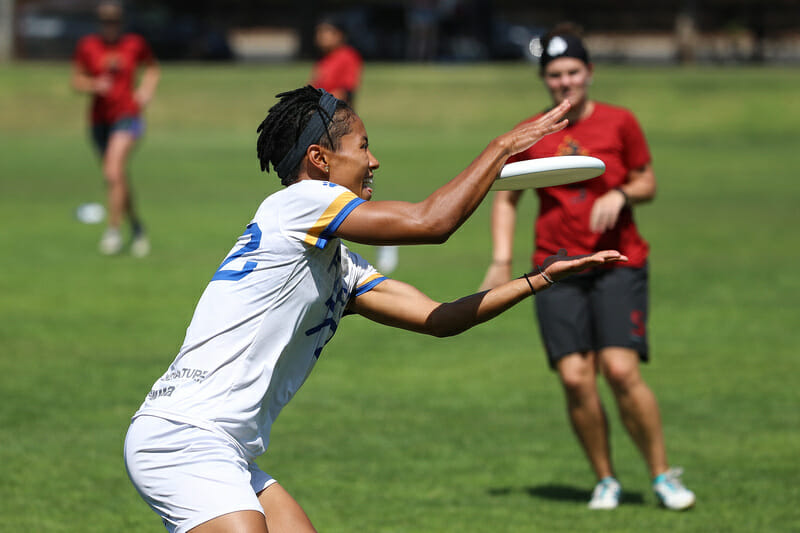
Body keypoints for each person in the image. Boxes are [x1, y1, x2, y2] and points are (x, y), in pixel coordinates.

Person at [124, 85, 626, 533]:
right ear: (320, 160)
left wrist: (538, 279)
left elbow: (440, 318)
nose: (374, 161)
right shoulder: (298, 203)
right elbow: (432, 223)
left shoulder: (341, 267)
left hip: (226, 450)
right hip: (181, 438)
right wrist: (501, 148)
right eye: (363, 147)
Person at [479, 25, 695, 511]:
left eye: (573, 71)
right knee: (576, 378)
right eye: (554, 74)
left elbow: (647, 181)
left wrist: (620, 194)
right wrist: (500, 260)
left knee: (619, 370)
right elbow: (505, 199)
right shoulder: (532, 132)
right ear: (544, 80)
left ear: (589, 73)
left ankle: (662, 476)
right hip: (557, 268)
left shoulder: (620, 123)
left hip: (620, 261)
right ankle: (606, 480)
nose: (564, 81)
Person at [310, 16, 399, 273]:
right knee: (333, 190)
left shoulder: (347, 57)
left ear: (340, 34)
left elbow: (343, 94)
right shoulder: (323, 61)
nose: (320, 37)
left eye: (326, 32)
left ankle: (388, 235)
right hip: (322, 134)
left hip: (341, 136)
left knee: (355, 189)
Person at [72, 1, 160, 256]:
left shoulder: (134, 43)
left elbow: (153, 68)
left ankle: (112, 232)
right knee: (116, 177)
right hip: (99, 121)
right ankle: (137, 228)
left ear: (121, 22)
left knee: (112, 171)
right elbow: (76, 80)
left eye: (114, 21)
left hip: (128, 116)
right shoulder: (88, 46)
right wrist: (94, 84)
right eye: (105, 21)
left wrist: (145, 91)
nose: (110, 26)